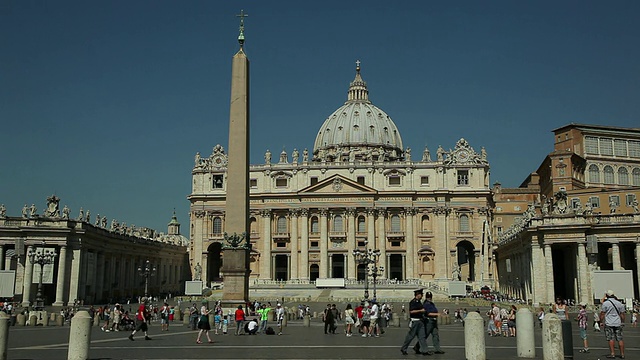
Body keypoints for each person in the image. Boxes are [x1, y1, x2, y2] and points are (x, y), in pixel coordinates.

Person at [400, 289, 428, 356]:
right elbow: (411, 312)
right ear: (418, 295)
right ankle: (404, 348)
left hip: (420, 321)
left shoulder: (419, 302)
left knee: (422, 337)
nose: (422, 296)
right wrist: (420, 310)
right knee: (410, 336)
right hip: (415, 321)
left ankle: (425, 350)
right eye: (421, 294)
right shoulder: (413, 302)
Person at [600, 290, 625, 359]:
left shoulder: (606, 303)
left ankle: (612, 353)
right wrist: (622, 322)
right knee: (620, 339)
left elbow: (602, 313)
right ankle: (622, 354)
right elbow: (622, 314)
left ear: (607, 296)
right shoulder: (619, 303)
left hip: (609, 323)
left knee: (611, 338)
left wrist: (601, 321)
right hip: (618, 323)